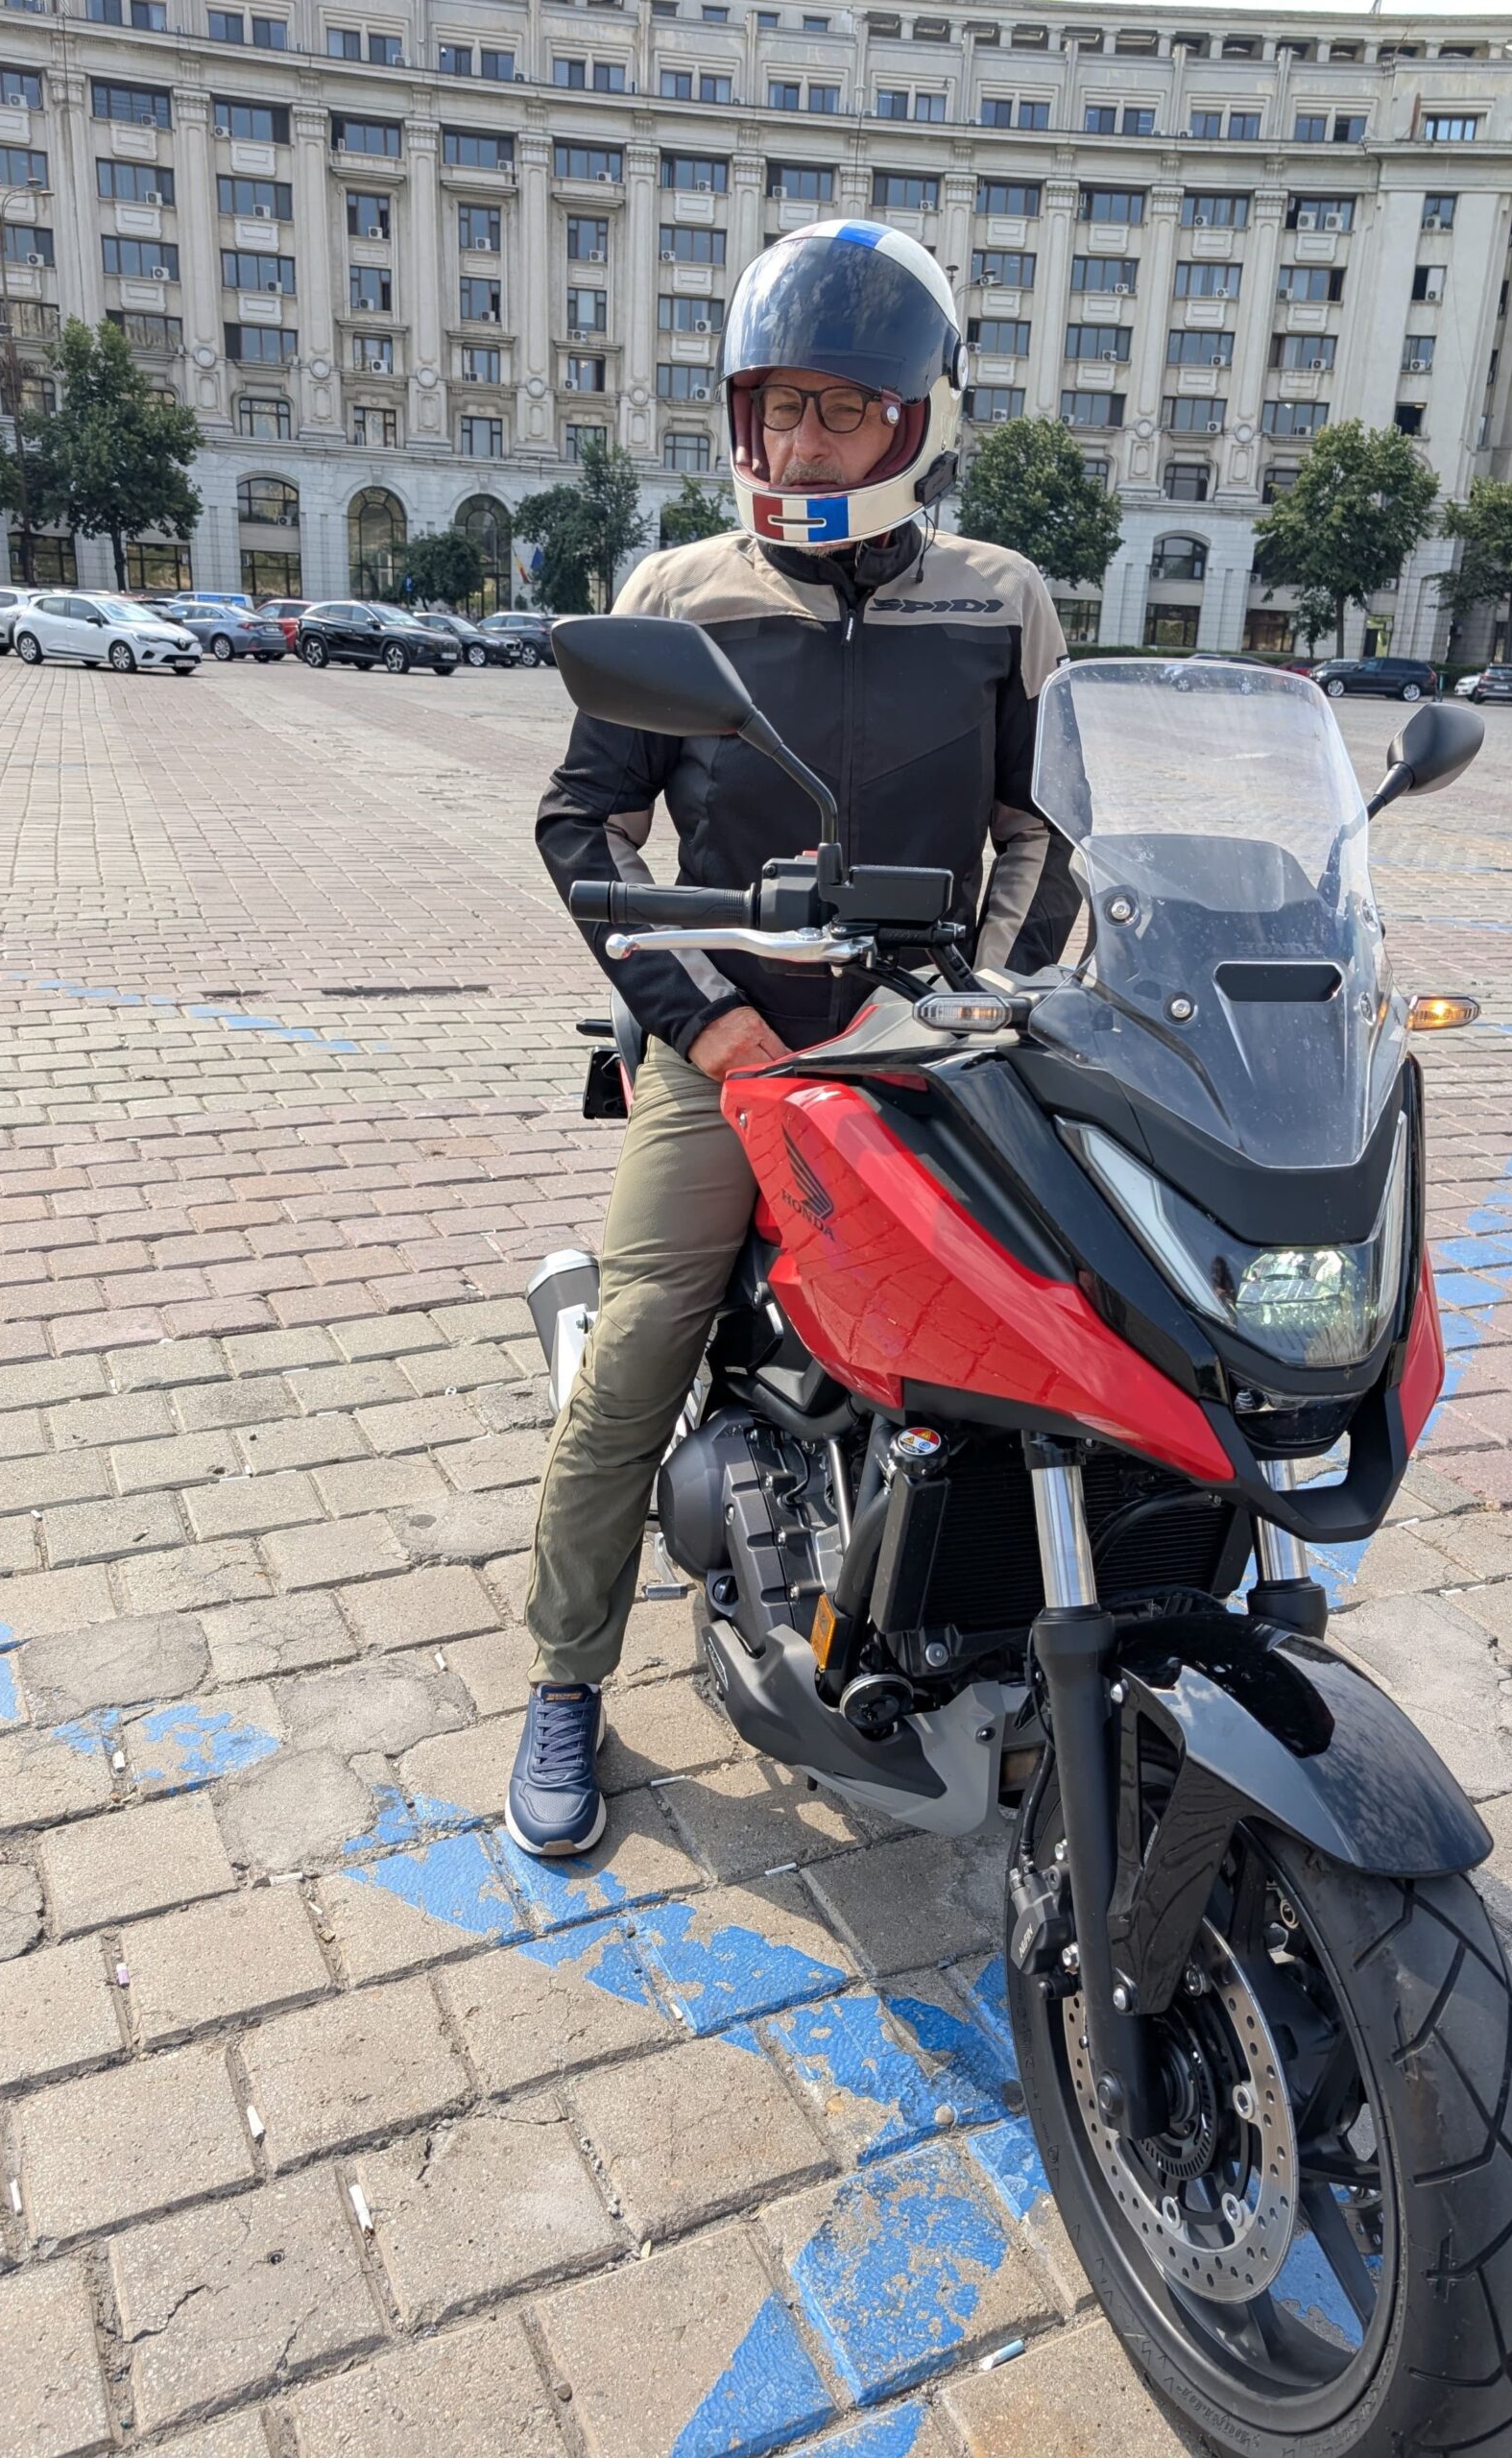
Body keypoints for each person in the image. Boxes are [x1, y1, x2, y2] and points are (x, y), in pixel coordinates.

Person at [508, 219, 1080, 1855]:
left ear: (918, 421)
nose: (804, 443)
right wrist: (715, 1025)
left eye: (842, 409)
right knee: (640, 1345)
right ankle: (564, 1677)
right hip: (731, 1046)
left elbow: (1049, 826)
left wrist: (963, 1000)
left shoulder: (1002, 600)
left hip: (935, 1036)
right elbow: (585, 829)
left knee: (1052, 1317)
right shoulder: (678, 594)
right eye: (778, 408)